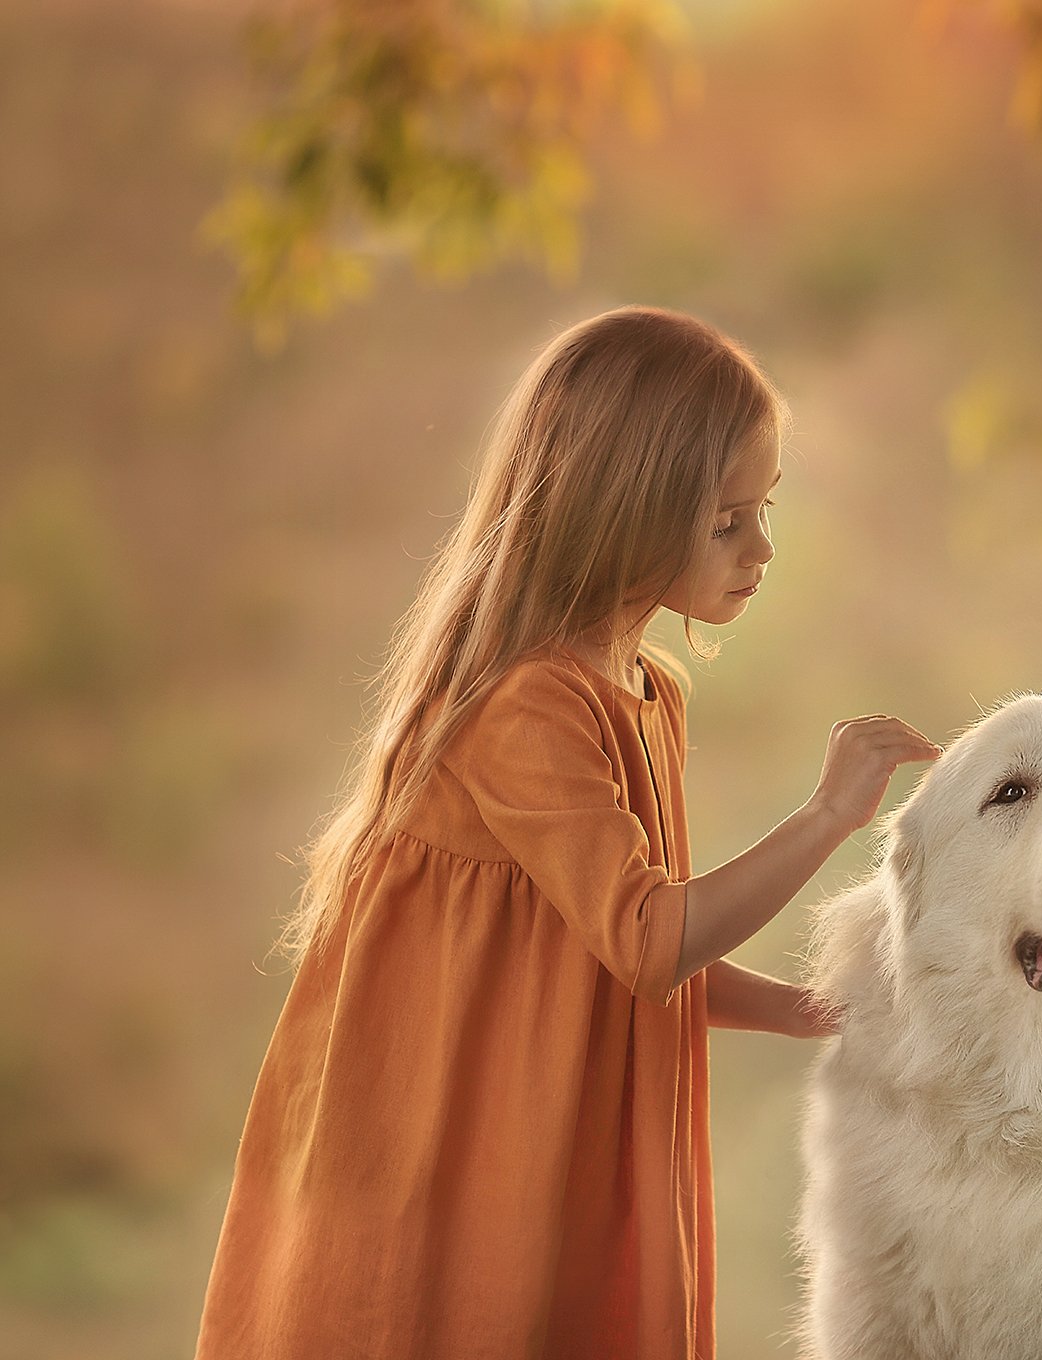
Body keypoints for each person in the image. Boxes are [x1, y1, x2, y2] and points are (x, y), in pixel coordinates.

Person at [193, 305, 941, 1360]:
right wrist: (827, 814)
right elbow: (648, 940)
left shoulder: (647, 691)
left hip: (556, 1135)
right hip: (452, 1148)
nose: (761, 547)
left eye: (763, 509)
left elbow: (595, 947)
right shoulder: (529, 705)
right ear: (621, 513)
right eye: (728, 522)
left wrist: (806, 1009)